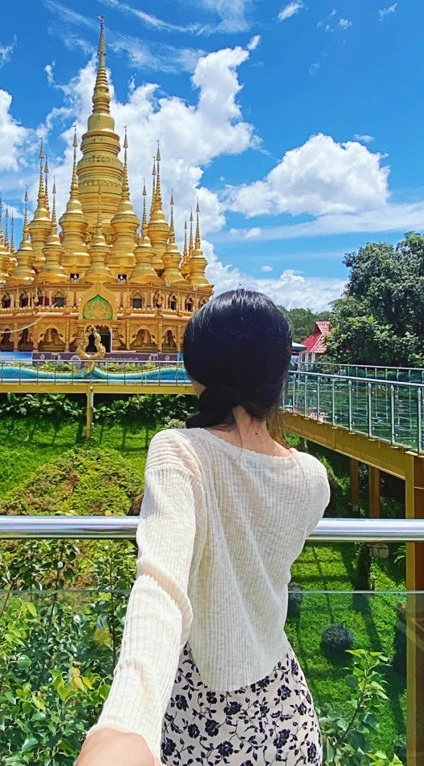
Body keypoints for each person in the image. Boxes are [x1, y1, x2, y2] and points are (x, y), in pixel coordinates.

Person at [75, 289, 330, 766]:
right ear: (281, 376)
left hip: (201, 724)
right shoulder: (313, 478)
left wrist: (124, 726)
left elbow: (162, 588)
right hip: (287, 718)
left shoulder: (180, 451)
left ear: (196, 375)